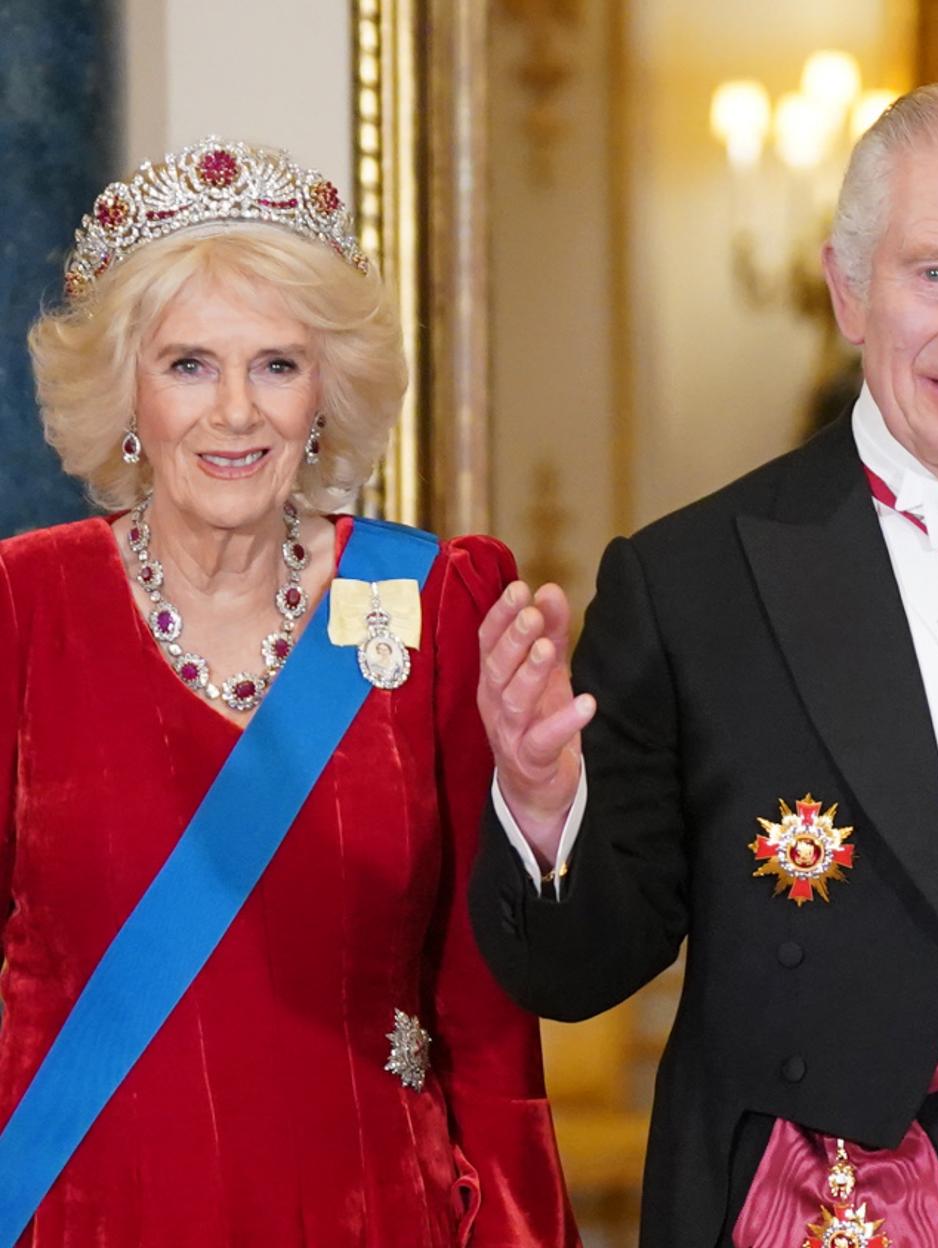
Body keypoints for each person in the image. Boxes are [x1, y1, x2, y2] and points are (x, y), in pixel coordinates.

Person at [471, 83, 938, 1247]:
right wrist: (542, 810)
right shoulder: (696, 586)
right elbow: (580, 971)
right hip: (834, 1202)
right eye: (933, 272)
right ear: (848, 287)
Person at [0, 137, 577, 1247]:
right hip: (86, 1213)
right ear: (124, 390)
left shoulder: (431, 601)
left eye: (275, 364)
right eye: (187, 365)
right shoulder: (27, 607)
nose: (235, 414)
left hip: (366, 1212)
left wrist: (540, 807)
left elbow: (487, 1012)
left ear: (326, 391)